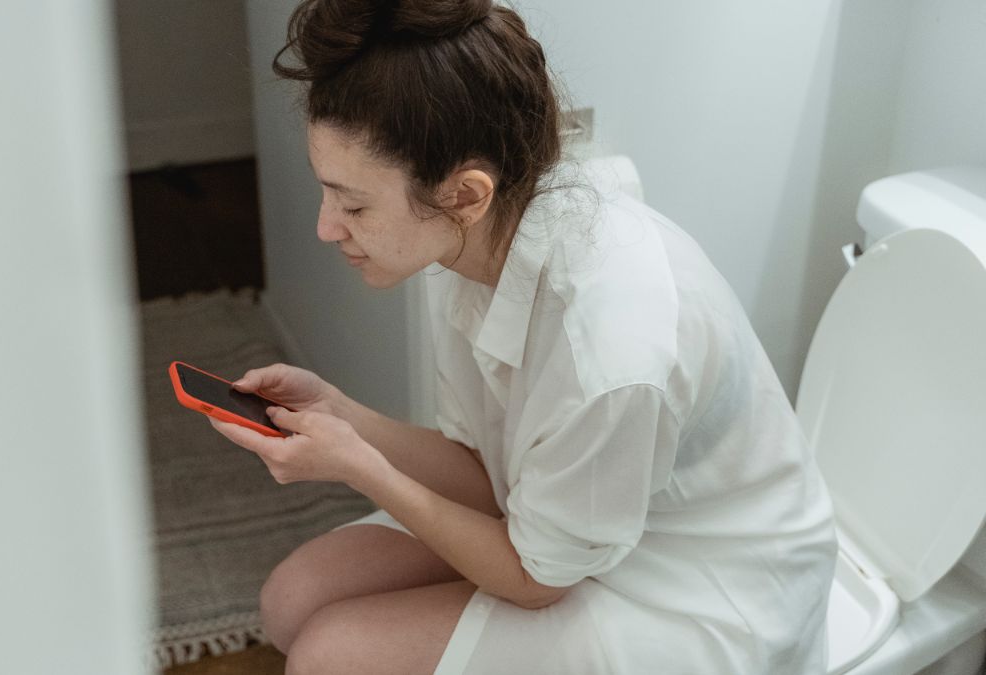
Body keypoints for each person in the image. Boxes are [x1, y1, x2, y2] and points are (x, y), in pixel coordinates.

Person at [210, 0, 838, 673]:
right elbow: (488, 473)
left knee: (328, 657)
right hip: (570, 527)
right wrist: (342, 415)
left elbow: (538, 579)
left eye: (354, 203)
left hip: (701, 587)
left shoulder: (608, 348)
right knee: (290, 601)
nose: (327, 227)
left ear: (464, 194)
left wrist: (358, 465)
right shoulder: (464, 244)